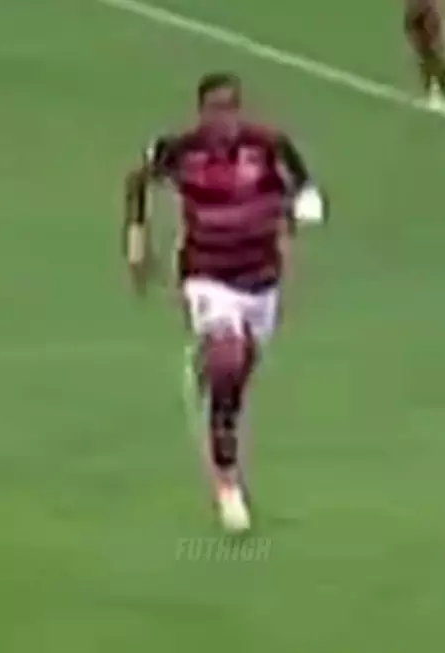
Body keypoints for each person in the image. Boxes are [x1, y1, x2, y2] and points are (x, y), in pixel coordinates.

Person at [123, 72, 327, 531]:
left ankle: (216, 379)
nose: (224, 118)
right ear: (201, 113)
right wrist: (136, 242)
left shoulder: (269, 146)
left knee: (236, 376)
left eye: (230, 107)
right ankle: (228, 482)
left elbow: (305, 188)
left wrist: (303, 208)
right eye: (215, 109)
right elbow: (137, 181)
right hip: (207, 277)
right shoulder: (180, 151)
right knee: (229, 358)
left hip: (261, 282)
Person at [405, 0, 445, 111]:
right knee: (424, 58)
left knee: (434, 56)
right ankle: (433, 95)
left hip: (428, 16)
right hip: (417, 17)